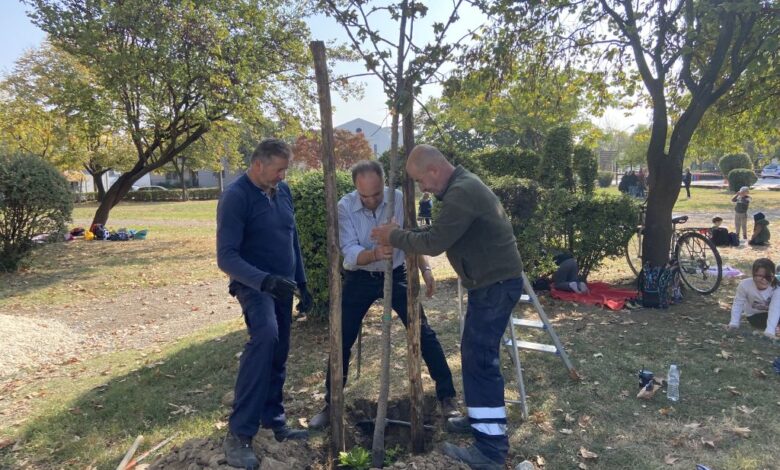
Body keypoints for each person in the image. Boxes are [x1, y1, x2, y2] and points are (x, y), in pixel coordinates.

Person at [371, 144, 524, 470]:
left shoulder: (461, 193)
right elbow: (437, 232)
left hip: (494, 286)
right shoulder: (461, 186)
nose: (423, 188)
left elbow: (435, 243)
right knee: (474, 357)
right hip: (490, 284)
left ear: (434, 170)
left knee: (480, 361)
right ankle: (481, 420)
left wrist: (395, 236)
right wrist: (405, 233)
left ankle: (491, 450)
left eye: (421, 181)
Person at [308, 160, 458, 429]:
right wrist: (375, 253)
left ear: (384, 184)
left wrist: (425, 269)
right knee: (341, 338)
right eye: (365, 196)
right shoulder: (344, 206)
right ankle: (332, 405)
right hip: (360, 279)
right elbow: (349, 250)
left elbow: (411, 235)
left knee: (423, 333)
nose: (372, 201)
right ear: (356, 189)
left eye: (377, 194)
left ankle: (448, 397)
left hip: (397, 274)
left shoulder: (398, 198)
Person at [216, 138, 313, 469]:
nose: (283, 176)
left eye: (285, 169)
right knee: (265, 338)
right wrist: (264, 281)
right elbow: (226, 256)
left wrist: (302, 282)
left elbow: (292, 236)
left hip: (283, 285)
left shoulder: (281, 192)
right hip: (253, 286)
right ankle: (240, 433)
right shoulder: (236, 197)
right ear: (258, 165)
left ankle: (274, 420)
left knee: (280, 349)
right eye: (278, 170)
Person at [727, 258, 780, 339]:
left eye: (768, 276)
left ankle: (776, 328)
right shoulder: (744, 285)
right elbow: (738, 304)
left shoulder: (776, 288)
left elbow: (775, 309)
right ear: (753, 274)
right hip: (756, 316)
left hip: (775, 314)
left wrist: (770, 331)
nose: (764, 280)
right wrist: (734, 323)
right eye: (760, 276)